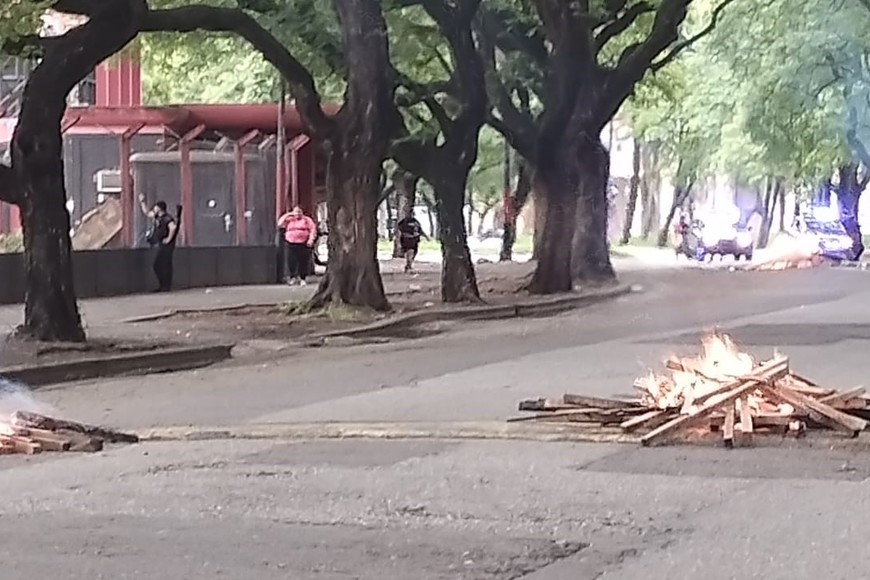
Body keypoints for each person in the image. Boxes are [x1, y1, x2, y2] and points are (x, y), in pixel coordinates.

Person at [139, 194, 178, 293]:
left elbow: (173, 227)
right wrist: (142, 202)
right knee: (160, 265)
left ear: (160, 208)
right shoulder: (157, 217)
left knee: (162, 264)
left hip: (167, 245)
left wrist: (168, 239)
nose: (154, 208)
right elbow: (147, 213)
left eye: (155, 207)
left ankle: (165, 286)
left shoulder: (167, 218)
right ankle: (163, 285)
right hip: (161, 244)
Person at [277, 206, 317, 285]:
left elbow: (313, 229)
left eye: (299, 212)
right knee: (291, 261)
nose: (298, 214)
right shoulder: (289, 220)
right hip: (291, 242)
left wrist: (310, 240)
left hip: (303, 243)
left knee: (303, 261)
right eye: (296, 212)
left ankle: (303, 278)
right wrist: (288, 215)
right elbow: (280, 224)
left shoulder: (307, 220)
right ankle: (292, 277)